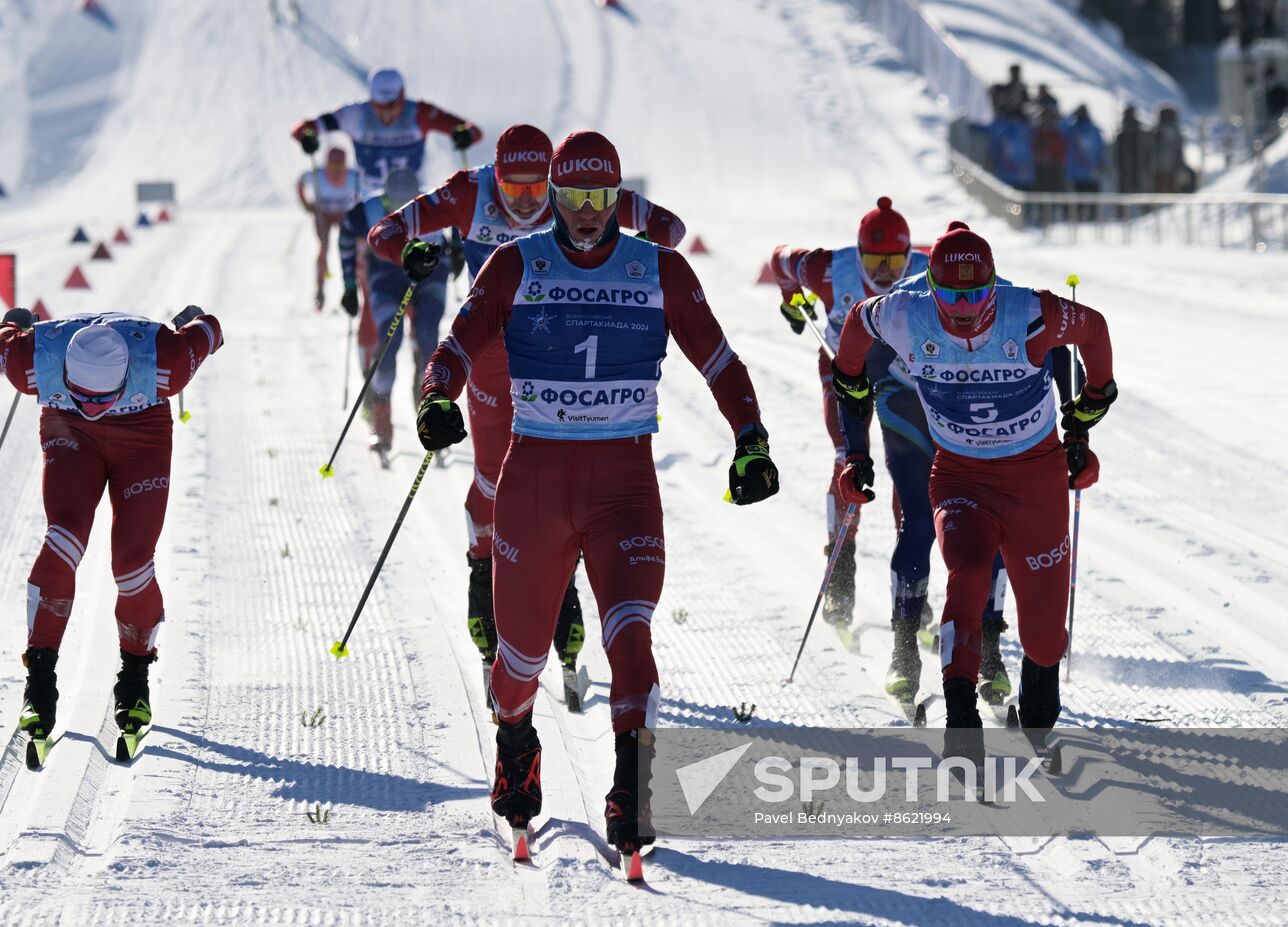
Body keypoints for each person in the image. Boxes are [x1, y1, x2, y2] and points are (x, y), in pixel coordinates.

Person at [415, 131, 778, 854]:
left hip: (624, 488)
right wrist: (436, 397)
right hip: (534, 486)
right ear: (554, 194)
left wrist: (752, 439)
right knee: (519, 665)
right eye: (575, 196)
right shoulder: (516, 262)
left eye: (601, 197)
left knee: (632, 638)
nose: (587, 212)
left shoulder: (659, 269)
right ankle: (516, 746)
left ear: (619, 197)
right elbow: (456, 345)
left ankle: (631, 790)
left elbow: (720, 360)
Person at [368, 123, 687, 692]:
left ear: (555, 183)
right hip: (493, 350)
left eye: (537, 191)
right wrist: (408, 251)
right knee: (496, 476)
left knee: (566, 474)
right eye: (512, 191)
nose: (524, 203)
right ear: (495, 178)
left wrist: (636, 254)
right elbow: (384, 230)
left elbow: (670, 228)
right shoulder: (468, 191)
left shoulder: (579, 194)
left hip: (561, 349)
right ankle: (482, 569)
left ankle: (561, 587)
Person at [830, 221, 1116, 757]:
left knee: (1044, 639)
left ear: (993, 285)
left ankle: (1038, 702)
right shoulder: (903, 312)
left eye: (977, 294)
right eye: (951, 295)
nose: (964, 309)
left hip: (1035, 479)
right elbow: (855, 324)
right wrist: (850, 384)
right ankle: (960, 710)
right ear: (929, 286)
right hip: (962, 475)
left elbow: (1094, 329)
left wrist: (1094, 400)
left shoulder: (1028, 310)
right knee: (967, 570)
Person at [769, 198, 1011, 703]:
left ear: (909, 254)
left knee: (920, 485)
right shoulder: (828, 268)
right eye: (874, 261)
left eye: (894, 261)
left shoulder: (930, 270)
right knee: (848, 458)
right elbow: (779, 259)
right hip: (844, 373)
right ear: (858, 253)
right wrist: (792, 299)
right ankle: (841, 572)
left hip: (907, 381)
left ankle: (916, 594)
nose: (884, 272)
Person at [0, 305, 223, 754]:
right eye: (81, 394)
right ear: (63, 374)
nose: (94, 408)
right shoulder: (29, 361)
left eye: (102, 399)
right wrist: (12, 322)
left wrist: (194, 323)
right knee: (63, 539)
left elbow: (211, 329)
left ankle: (134, 679)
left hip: (142, 436)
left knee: (133, 564)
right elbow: (1, 338)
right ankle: (39, 680)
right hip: (70, 431)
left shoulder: (168, 361)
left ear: (126, 377)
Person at [338, 167, 450, 460]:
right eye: (393, 207)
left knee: (428, 338)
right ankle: (381, 419)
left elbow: (462, 228)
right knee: (389, 340)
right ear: (385, 198)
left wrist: (459, 253)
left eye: (408, 206)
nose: (400, 214)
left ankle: (430, 414)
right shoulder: (367, 210)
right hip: (386, 277)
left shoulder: (434, 204)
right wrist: (349, 285)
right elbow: (346, 237)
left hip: (430, 276)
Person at [290, 67, 483, 192]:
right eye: (379, 107)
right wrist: (306, 136)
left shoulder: (419, 113)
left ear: (402, 96)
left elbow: (474, 131)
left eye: (392, 106)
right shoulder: (355, 114)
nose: (386, 114)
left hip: (413, 200)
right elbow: (302, 129)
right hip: (371, 200)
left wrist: (465, 135)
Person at [296, 146, 358, 311]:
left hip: (344, 215)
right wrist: (306, 204)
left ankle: (353, 287)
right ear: (327, 164)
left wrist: (358, 203)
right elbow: (300, 181)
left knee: (352, 247)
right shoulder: (318, 175)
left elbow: (365, 186)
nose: (336, 170)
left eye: (340, 165)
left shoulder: (353, 176)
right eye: (333, 164)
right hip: (323, 214)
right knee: (324, 246)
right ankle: (320, 288)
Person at [1064, 105, 1106, 220]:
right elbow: (1061, 126)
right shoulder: (1072, 129)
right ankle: (1077, 220)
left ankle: (1094, 221)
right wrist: (1071, 116)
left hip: (1092, 173)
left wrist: (1101, 163)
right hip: (1077, 174)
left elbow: (1101, 149)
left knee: (1093, 204)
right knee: (1078, 204)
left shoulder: (1093, 129)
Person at [1114, 106, 1149, 197]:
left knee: (1140, 194)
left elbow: (1146, 152)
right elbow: (1116, 154)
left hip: (1139, 170)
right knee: (1123, 195)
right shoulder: (1121, 136)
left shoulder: (1140, 134)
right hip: (1124, 171)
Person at [1151, 105, 1186, 194]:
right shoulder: (1156, 132)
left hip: (1171, 167)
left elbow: (1179, 150)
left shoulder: (1176, 133)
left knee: (1171, 191)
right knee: (1158, 190)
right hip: (1158, 167)